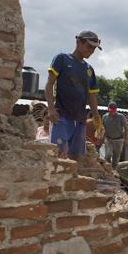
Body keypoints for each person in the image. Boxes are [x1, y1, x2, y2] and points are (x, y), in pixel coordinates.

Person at [45, 30, 102, 160]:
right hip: (62, 117)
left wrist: (97, 119)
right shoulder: (62, 59)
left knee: (76, 157)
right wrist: (50, 109)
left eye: (94, 49)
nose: (91, 51)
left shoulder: (89, 69)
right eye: (89, 47)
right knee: (58, 155)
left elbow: (92, 96)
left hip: (80, 119)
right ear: (78, 42)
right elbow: (49, 85)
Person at [102, 102, 128, 167]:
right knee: (108, 154)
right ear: (108, 109)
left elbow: (126, 128)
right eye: (111, 110)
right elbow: (103, 129)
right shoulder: (104, 117)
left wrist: (127, 140)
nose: (113, 112)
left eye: (114, 110)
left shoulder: (121, 117)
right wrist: (101, 139)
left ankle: (114, 171)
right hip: (109, 139)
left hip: (119, 140)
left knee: (116, 158)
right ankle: (107, 168)